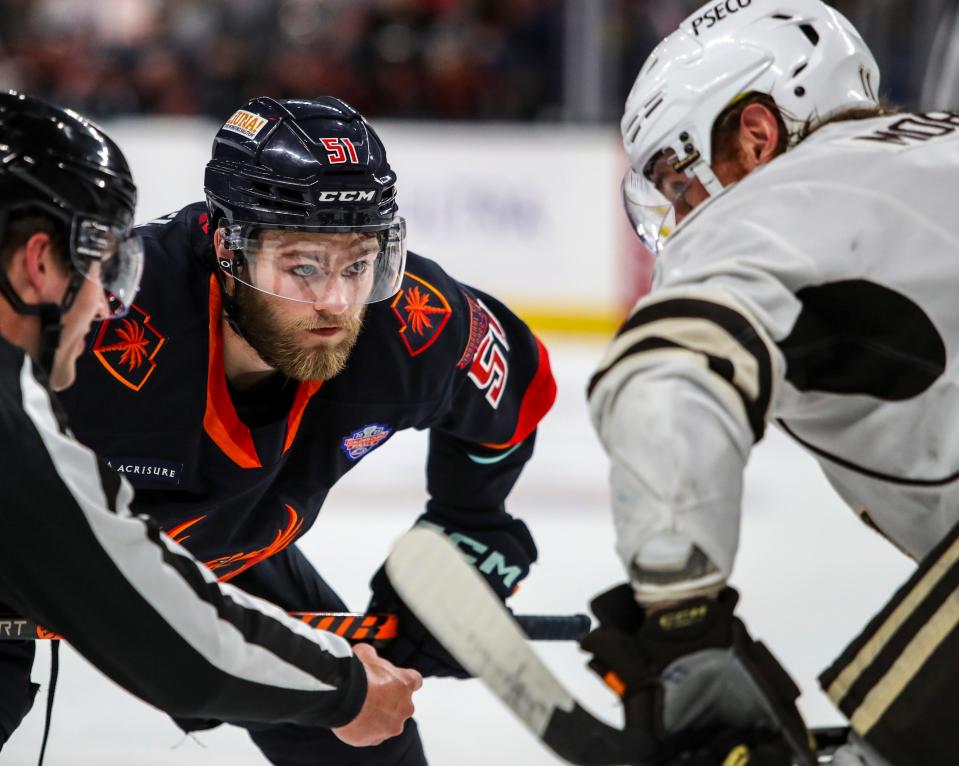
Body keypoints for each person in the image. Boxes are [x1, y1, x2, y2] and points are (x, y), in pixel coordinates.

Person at [35, 95, 556, 766]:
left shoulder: (409, 321)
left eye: (358, 262)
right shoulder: (101, 320)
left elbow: (516, 392)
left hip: (229, 550)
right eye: (302, 265)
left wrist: (470, 531)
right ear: (228, 248)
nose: (336, 302)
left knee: (373, 743)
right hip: (30, 553)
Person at [581, 2, 959, 765]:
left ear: (756, 134)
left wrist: (680, 625)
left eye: (678, 181)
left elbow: (666, 369)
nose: (683, 213)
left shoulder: (770, 204)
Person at [0, 90, 422, 758]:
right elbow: (161, 632)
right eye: (98, 267)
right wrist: (342, 689)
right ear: (39, 263)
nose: (103, 304)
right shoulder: (11, 425)